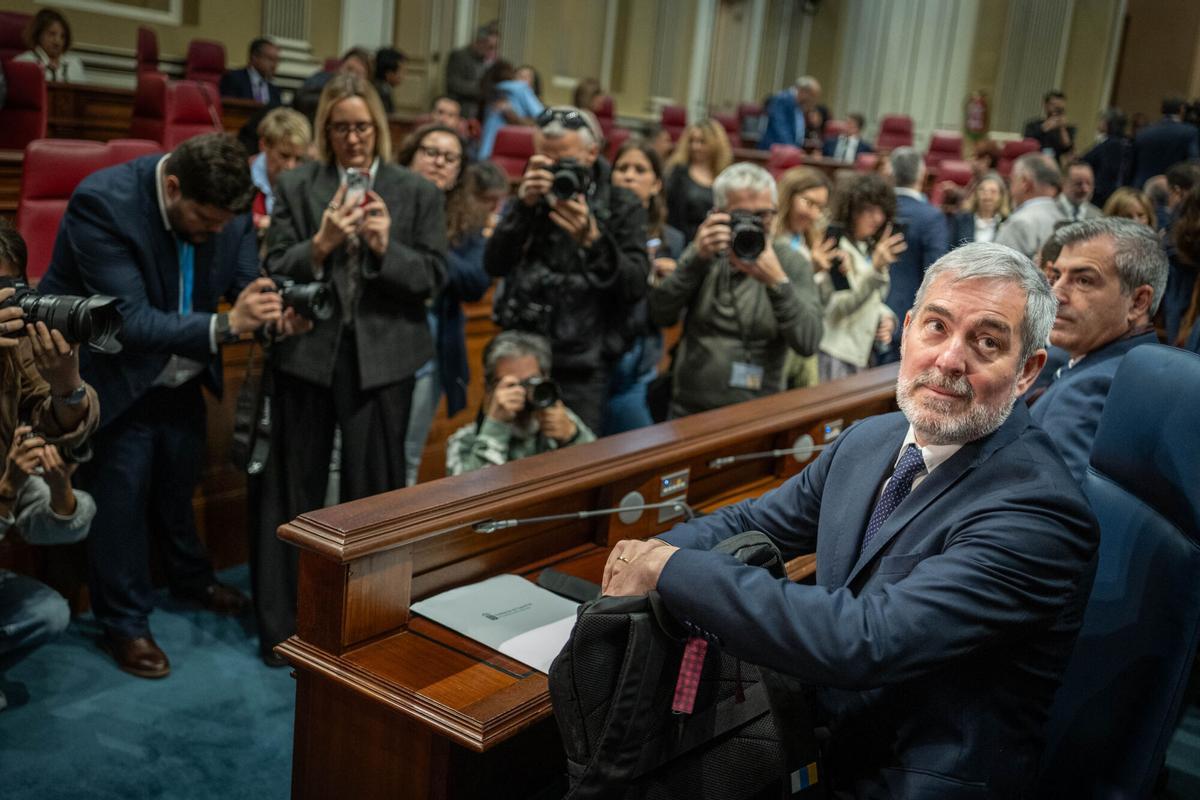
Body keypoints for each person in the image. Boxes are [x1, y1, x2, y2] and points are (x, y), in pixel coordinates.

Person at [603, 242, 1099, 800]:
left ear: (1028, 370)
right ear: (907, 331)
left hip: (915, 778)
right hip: (828, 738)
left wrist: (670, 571)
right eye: (936, 327)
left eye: (986, 342)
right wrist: (641, 553)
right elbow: (755, 521)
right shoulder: (872, 439)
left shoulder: (1039, 512)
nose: (949, 360)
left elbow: (865, 640)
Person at [38, 134, 288, 678]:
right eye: (206, 218)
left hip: (185, 375)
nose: (218, 230)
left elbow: (246, 280)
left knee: (180, 484)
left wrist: (271, 306)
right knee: (121, 502)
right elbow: (126, 321)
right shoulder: (103, 203)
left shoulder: (229, 209)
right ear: (173, 187)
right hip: (117, 377)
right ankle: (124, 624)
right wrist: (227, 325)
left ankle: (190, 579)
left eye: (228, 220)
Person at [250, 75, 446, 663]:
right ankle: (282, 630)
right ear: (326, 131)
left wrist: (388, 248)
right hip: (307, 359)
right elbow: (274, 265)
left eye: (362, 126)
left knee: (375, 503)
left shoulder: (415, 192)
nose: (352, 137)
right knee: (292, 497)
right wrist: (320, 245)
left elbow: (434, 278)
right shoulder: (297, 183)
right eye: (340, 127)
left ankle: (364, 629)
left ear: (377, 128)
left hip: (383, 363)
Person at [485, 106, 649, 433]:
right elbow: (494, 264)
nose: (556, 167)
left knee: (571, 458)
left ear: (591, 153)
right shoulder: (530, 197)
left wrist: (593, 240)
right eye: (547, 158)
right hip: (521, 355)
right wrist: (522, 207)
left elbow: (634, 285)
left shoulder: (621, 204)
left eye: (564, 158)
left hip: (583, 364)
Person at [0, 223, 98, 710]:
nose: (11, 304)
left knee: (46, 611)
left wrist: (68, 384)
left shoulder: (13, 345)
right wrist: (8, 486)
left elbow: (60, 418)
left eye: (15, 289)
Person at [648, 162, 823, 417]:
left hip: (758, 415)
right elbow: (660, 314)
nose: (753, 226)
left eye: (762, 216)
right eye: (742, 216)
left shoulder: (790, 261)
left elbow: (808, 341)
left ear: (775, 213)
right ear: (718, 214)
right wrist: (694, 259)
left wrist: (778, 282)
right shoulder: (706, 253)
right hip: (690, 411)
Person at [1029, 218, 1166, 484]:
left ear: (1138, 302)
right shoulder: (1142, 363)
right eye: (1056, 276)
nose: (1056, 294)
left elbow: (1046, 509)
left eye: (1083, 280)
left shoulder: (1092, 389)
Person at [395, 123, 487, 485]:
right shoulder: (384, 202)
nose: (439, 163)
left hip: (429, 353)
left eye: (450, 158)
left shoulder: (467, 220)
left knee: (408, 452)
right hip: (375, 342)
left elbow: (475, 282)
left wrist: (431, 248)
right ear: (411, 156)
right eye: (430, 152)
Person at [605, 138, 685, 432]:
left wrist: (673, 283)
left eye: (640, 170)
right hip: (595, 354)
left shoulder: (671, 240)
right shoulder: (594, 228)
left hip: (639, 362)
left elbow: (671, 316)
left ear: (656, 185)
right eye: (622, 168)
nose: (628, 176)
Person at [447, 331, 595, 475]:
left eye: (531, 383)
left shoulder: (560, 422)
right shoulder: (463, 442)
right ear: (488, 388)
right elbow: (473, 495)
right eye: (511, 386)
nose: (522, 394)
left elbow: (600, 472)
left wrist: (572, 437)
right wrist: (496, 426)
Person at [816, 173, 904, 381]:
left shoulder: (867, 248)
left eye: (881, 211)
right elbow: (839, 307)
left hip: (861, 355)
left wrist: (887, 318)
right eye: (869, 210)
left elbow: (873, 299)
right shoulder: (836, 249)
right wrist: (875, 269)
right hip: (835, 355)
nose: (877, 218)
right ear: (851, 210)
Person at [773, 167, 836, 388]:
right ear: (788, 196)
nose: (814, 214)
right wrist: (810, 270)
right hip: (776, 345)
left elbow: (821, 302)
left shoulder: (811, 240)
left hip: (803, 343)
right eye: (808, 203)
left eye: (820, 207)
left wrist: (820, 272)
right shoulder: (770, 239)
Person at [883, 147, 948, 361]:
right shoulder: (932, 217)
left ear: (890, 173)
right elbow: (936, 273)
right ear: (922, 175)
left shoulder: (876, 209)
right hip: (905, 318)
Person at [664, 120, 733, 243]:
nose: (695, 147)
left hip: (716, 242)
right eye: (692, 141)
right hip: (684, 241)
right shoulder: (678, 173)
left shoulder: (726, 176)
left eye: (702, 142)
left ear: (715, 144)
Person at [249, 107, 312, 236]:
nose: (291, 166)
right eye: (284, 156)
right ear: (263, 146)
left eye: (298, 158)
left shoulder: (307, 182)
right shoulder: (242, 177)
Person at [994, 152, 1064, 258]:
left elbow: (999, 270)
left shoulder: (1019, 223)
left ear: (1025, 183)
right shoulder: (1066, 218)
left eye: (1012, 181)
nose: (1010, 190)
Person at [477, 60, 545, 160]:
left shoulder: (492, 92)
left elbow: (541, 120)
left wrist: (513, 116)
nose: (521, 81)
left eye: (526, 77)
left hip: (491, 153)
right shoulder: (514, 90)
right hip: (502, 150)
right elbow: (543, 118)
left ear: (534, 84)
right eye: (519, 76)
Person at [1129, 97, 1200, 189]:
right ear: (1182, 109)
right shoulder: (1190, 132)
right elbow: (1193, 162)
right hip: (1172, 187)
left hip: (1142, 187)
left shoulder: (1143, 132)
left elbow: (1130, 166)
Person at [294, 48, 373, 120]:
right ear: (340, 68)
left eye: (358, 74)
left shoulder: (369, 102)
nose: (351, 76)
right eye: (349, 69)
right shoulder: (321, 80)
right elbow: (301, 100)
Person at [14, 8, 86, 84]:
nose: (58, 41)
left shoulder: (74, 64)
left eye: (63, 36)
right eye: (52, 34)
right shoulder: (24, 62)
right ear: (39, 34)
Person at [446, 24, 499, 121]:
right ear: (479, 42)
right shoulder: (459, 56)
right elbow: (454, 84)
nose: (491, 51)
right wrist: (483, 90)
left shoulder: (489, 60)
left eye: (494, 48)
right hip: (463, 104)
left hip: (483, 106)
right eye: (490, 47)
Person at [759, 76, 824, 150]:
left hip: (786, 152)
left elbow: (796, 131)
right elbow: (780, 127)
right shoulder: (783, 99)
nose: (812, 101)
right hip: (774, 151)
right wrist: (793, 149)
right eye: (812, 96)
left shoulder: (797, 104)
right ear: (804, 91)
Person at [1082, 108, 1130, 207]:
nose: (1099, 123)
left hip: (1101, 195)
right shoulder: (1123, 142)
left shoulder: (1111, 144)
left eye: (1101, 120)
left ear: (1108, 123)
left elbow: (1089, 161)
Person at [949, 172, 1009, 248]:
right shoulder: (960, 220)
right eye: (982, 190)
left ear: (1001, 197)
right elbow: (951, 248)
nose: (987, 195)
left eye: (993, 192)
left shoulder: (1008, 223)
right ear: (976, 194)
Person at [219, 37, 282, 106]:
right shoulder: (233, 79)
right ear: (254, 57)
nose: (274, 65)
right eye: (270, 59)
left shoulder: (274, 90)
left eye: (277, 60)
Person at [1022, 89, 1075, 160]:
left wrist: (1062, 128)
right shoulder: (1032, 125)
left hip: (1054, 164)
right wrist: (1045, 127)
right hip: (1034, 161)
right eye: (1054, 105)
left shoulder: (1067, 129)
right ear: (1045, 105)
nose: (1056, 110)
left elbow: (1068, 149)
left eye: (1060, 108)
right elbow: (1027, 142)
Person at [373, 47, 407, 114]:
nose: (403, 76)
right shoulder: (383, 93)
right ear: (389, 74)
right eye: (401, 71)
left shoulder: (381, 88)